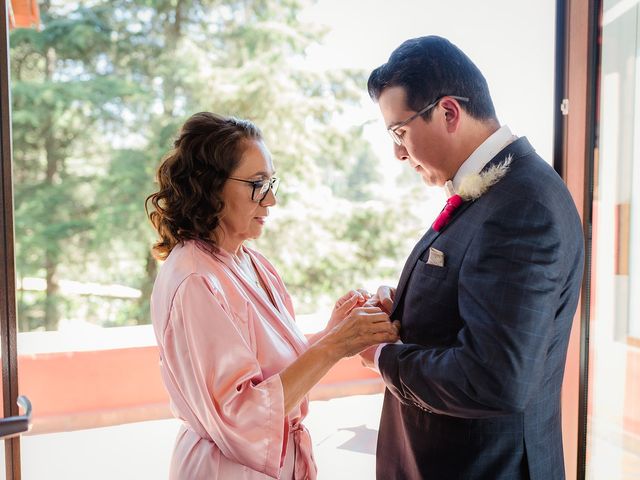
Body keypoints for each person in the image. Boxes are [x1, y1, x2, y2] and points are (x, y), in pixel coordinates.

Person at [361, 36, 584, 479]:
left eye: (399, 132)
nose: (398, 153)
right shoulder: (500, 191)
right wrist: (401, 306)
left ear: (448, 112)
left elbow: (493, 378)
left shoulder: (523, 206)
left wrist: (382, 355)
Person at [145, 112, 399, 480]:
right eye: (258, 184)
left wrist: (335, 332)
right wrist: (335, 345)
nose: (272, 200)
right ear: (210, 185)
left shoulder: (252, 261)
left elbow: (273, 377)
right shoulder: (195, 281)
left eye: (272, 182)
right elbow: (242, 415)